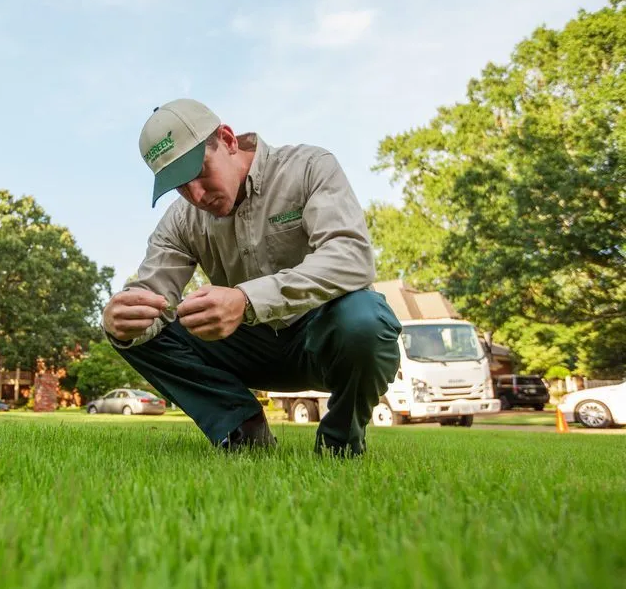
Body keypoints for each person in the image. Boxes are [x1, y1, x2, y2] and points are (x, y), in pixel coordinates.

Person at [101, 98, 402, 456]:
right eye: (179, 186)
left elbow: (351, 258)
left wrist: (245, 300)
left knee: (366, 318)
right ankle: (243, 429)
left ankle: (342, 441)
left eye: (198, 172)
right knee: (133, 333)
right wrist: (121, 319)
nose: (195, 195)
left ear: (228, 140)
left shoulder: (308, 168)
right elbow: (152, 296)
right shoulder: (181, 221)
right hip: (246, 349)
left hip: (322, 341)